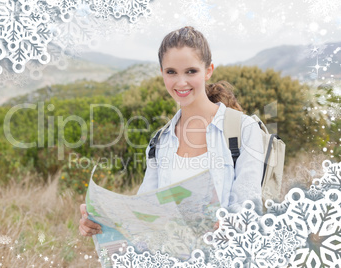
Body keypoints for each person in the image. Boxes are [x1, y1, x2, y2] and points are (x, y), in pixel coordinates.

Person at [79, 26, 264, 237]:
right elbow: (144, 212)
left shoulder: (244, 129)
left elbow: (249, 208)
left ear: (208, 70)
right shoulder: (159, 142)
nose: (181, 82)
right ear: (162, 73)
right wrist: (100, 220)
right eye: (171, 72)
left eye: (191, 71)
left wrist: (232, 224)